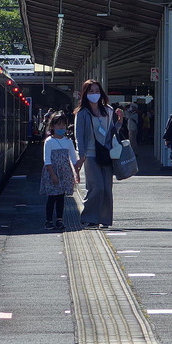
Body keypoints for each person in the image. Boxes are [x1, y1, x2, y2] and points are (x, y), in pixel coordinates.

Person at [73, 78, 119, 228]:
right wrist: (81, 155)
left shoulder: (109, 111)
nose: (94, 94)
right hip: (90, 155)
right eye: (91, 91)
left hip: (106, 154)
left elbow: (112, 131)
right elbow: (79, 135)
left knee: (106, 188)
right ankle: (90, 218)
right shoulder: (82, 113)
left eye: (97, 91)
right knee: (96, 186)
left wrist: (120, 121)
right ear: (85, 94)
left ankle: (104, 219)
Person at [40, 111, 79, 231]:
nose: (61, 127)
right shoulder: (49, 142)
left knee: (61, 198)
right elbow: (47, 160)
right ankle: (48, 221)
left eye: (63, 125)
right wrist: (52, 175)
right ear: (52, 126)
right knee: (52, 197)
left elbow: (73, 158)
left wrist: (77, 172)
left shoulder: (68, 141)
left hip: (65, 174)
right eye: (58, 125)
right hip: (52, 173)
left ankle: (59, 220)